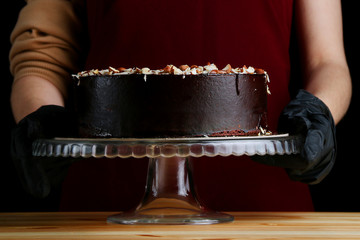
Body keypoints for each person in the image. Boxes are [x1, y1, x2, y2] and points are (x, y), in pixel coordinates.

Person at [9, 0, 351, 211]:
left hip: (266, 213)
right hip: (105, 213)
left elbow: (327, 61)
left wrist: (319, 111)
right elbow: (41, 57)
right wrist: (41, 118)